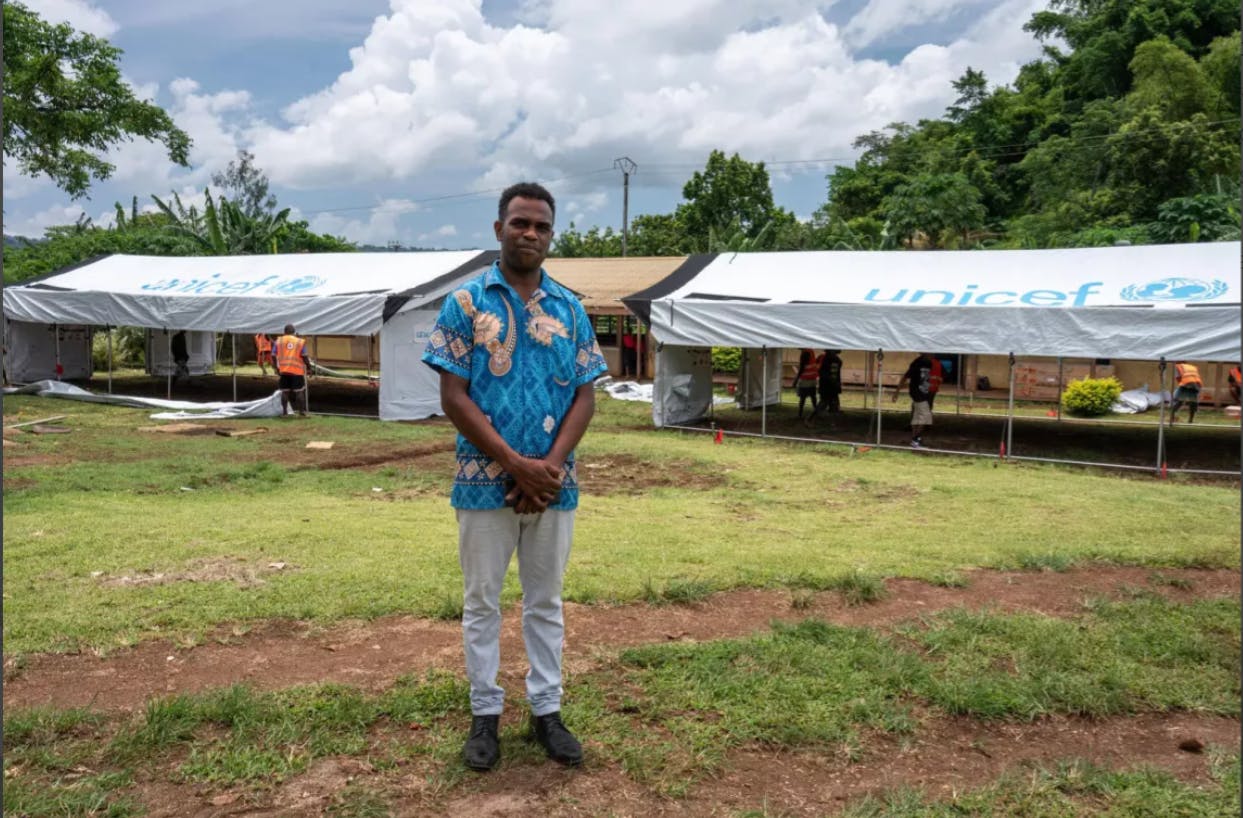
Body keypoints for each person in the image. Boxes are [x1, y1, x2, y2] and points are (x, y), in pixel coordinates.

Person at [421, 182, 608, 773]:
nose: (530, 233)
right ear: (497, 227)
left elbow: (586, 396)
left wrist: (544, 469)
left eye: (541, 226)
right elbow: (454, 396)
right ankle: (484, 714)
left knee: (545, 601)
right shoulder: (465, 303)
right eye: (520, 222)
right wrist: (514, 464)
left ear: (551, 236)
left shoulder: (571, 308)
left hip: (555, 483)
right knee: (481, 601)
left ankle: (546, 711)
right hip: (483, 482)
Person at [893, 352, 936, 447]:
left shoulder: (929, 363)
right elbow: (905, 377)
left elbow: (924, 379)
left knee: (917, 416)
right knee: (925, 416)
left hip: (922, 393)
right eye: (932, 353)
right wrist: (897, 392)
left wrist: (929, 386)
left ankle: (915, 439)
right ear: (926, 353)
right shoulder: (918, 364)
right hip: (918, 393)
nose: (934, 354)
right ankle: (916, 439)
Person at [274, 324, 311, 416]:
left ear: (284, 332)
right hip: (297, 371)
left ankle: (285, 413)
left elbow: (273, 355)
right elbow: (305, 356)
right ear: (294, 332)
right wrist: (309, 367)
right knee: (299, 391)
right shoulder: (299, 341)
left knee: (285, 392)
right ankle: (301, 413)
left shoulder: (278, 341)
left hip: (284, 370)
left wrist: (276, 367)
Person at [816, 349, 843, 416]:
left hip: (829, 384)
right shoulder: (830, 359)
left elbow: (833, 373)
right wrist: (834, 382)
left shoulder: (834, 359)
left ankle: (832, 414)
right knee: (825, 401)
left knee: (831, 401)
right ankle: (814, 417)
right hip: (828, 384)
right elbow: (830, 373)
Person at [794, 348, 819, 420]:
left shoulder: (805, 353)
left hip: (805, 379)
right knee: (813, 397)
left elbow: (802, 367)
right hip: (812, 379)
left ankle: (800, 414)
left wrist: (795, 380)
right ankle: (816, 413)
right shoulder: (811, 351)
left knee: (803, 398)